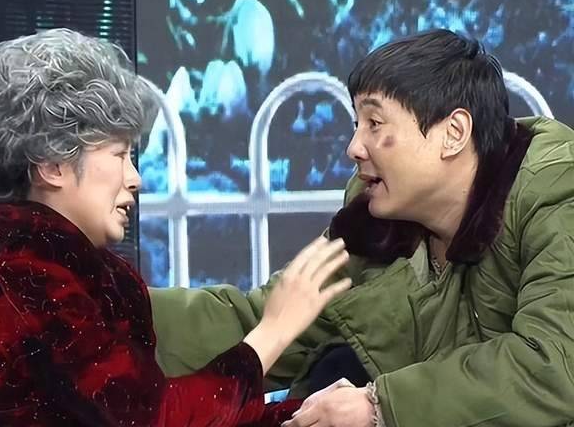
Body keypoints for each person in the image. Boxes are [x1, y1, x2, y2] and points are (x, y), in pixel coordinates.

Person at [150, 29, 574, 427]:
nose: (353, 147)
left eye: (375, 124)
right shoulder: (376, 223)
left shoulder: (557, 191)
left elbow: (553, 367)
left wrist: (379, 406)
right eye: (357, 125)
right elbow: (268, 319)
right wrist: (121, 302)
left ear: (453, 133)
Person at [0, 28, 353, 426]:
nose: (135, 178)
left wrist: (304, 415)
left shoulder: (83, 271)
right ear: (52, 164)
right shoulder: (26, 275)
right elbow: (150, 418)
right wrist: (274, 330)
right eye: (119, 155)